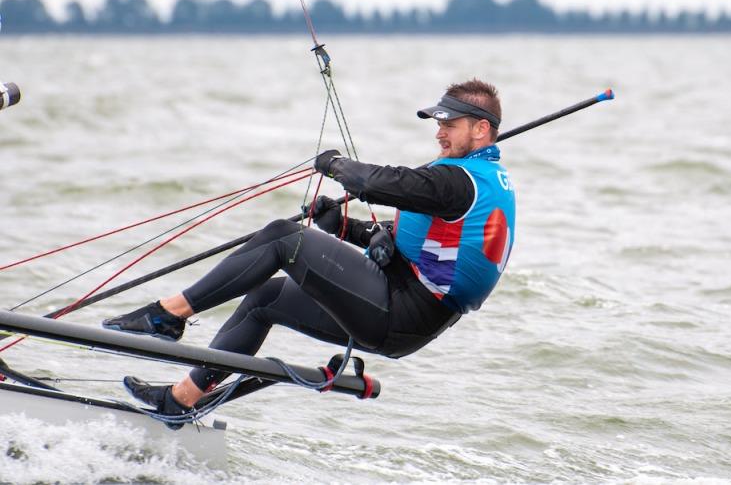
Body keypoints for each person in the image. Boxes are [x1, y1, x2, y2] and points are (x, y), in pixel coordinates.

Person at [102, 78, 516, 415]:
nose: (440, 133)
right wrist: (345, 228)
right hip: (408, 311)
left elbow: (376, 184)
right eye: (437, 124)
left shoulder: (456, 181)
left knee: (284, 237)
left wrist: (335, 166)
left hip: (402, 310)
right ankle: (179, 402)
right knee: (265, 297)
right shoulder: (477, 183)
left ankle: (167, 316)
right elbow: (426, 240)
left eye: (450, 125)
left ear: (481, 129)